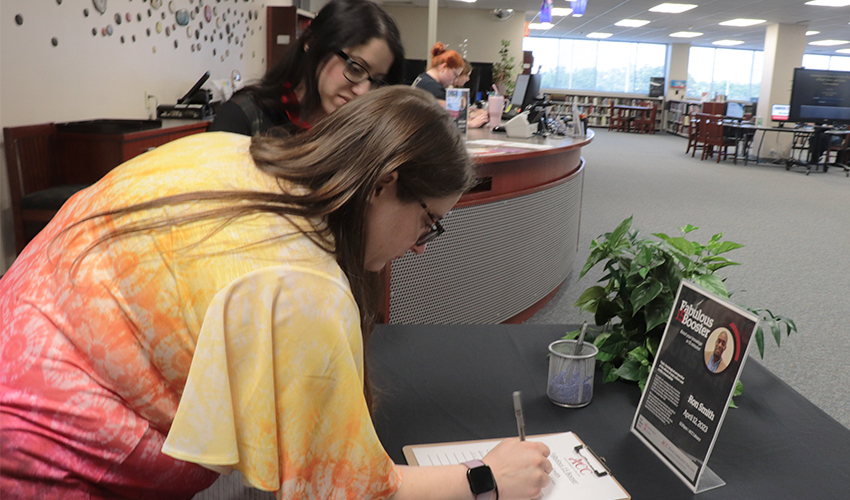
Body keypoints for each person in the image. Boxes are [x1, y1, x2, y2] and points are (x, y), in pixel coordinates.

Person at [0, 86, 552, 500]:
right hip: (48, 451)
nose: (421, 247)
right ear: (385, 183)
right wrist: (486, 478)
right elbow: (347, 488)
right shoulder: (302, 286)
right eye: (430, 222)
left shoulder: (225, 150)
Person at [208, 0, 404, 136]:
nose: (363, 91)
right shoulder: (246, 117)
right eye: (356, 68)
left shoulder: (363, 134)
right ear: (312, 42)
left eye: (377, 81)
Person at [413, 45, 488, 129]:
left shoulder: (423, 78)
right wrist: (471, 124)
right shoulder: (433, 88)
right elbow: (445, 122)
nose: (454, 80)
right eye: (455, 76)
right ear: (444, 67)